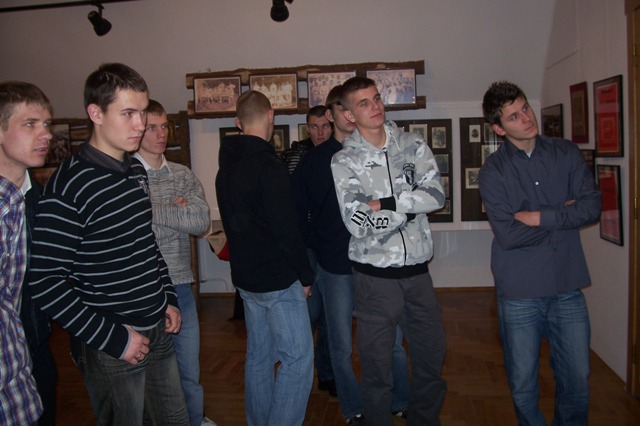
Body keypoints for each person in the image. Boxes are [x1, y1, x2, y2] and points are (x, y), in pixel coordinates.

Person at [28, 63, 189, 425]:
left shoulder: (135, 169)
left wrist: (167, 296)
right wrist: (114, 339)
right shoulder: (69, 185)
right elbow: (45, 281)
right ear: (96, 113)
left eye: (143, 112)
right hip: (110, 341)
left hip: (157, 326)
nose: (140, 124)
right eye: (128, 113)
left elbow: (145, 243)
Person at [478, 81, 601, 425]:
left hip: (567, 285)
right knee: (523, 385)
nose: (526, 118)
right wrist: (563, 215)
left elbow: (591, 207)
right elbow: (508, 235)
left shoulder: (566, 153)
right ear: (499, 129)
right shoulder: (493, 172)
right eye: (514, 116)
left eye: (525, 108)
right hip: (520, 292)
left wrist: (539, 217)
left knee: (577, 380)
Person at [331, 77, 447, 426]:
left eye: (377, 98)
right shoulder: (344, 160)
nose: (375, 107)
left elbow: (436, 196)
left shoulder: (413, 145)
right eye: (364, 103)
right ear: (349, 115)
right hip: (375, 280)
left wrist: (387, 203)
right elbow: (357, 221)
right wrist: (409, 209)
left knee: (430, 359)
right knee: (377, 368)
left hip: (418, 276)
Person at [215, 90, 314, 426]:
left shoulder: (225, 170)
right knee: (297, 360)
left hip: (246, 280)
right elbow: (287, 230)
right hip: (277, 280)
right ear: (271, 115)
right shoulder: (269, 166)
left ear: (237, 122)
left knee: (259, 357)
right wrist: (305, 276)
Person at [134, 100, 216, 426]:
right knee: (147, 375)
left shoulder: (181, 174)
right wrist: (174, 211)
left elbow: (200, 222)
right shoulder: (126, 175)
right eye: (152, 127)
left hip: (181, 284)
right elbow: (132, 230)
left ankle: (194, 420)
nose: (161, 134)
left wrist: (150, 210)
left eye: (164, 126)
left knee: (188, 371)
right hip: (141, 289)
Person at [0, 81, 49, 425]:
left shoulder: (36, 197)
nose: (45, 134)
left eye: (46, 124)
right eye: (30, 124)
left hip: (34, 347)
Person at [280, 105, 332, 173]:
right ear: (307, 129)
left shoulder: (340, 152)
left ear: (332, 127)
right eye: (314, 127)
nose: (320, 132)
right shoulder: (295, 156)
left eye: (325, 126)